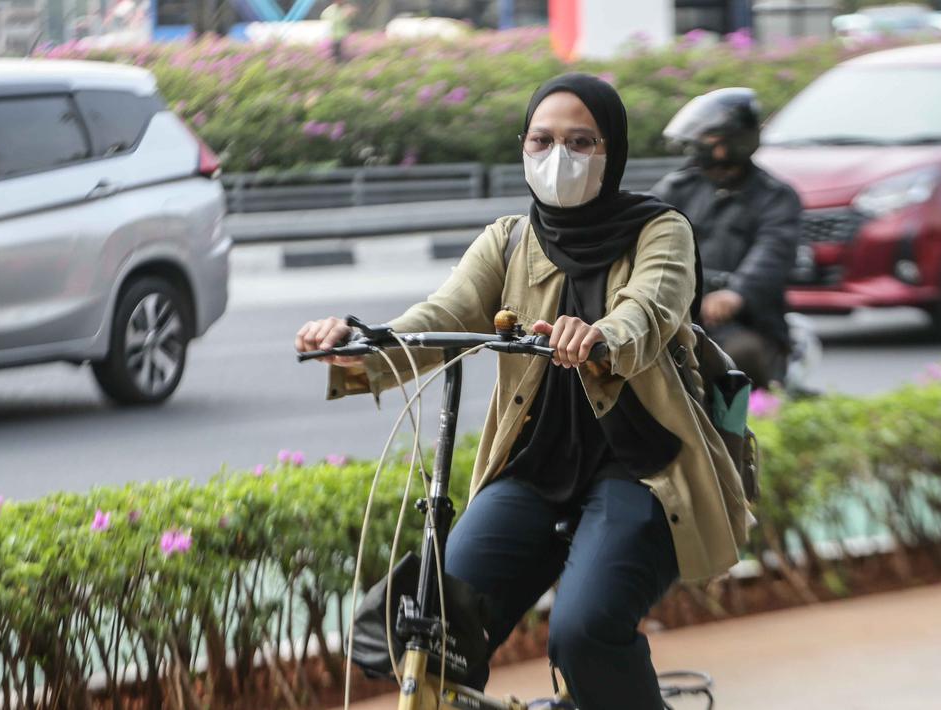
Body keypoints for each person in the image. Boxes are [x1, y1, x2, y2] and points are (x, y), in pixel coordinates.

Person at [295, 74, 749, 710]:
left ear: (611, 150)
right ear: (523, 146)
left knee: (585, 631)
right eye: (543, 140)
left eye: (580, 141)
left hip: (641, 469)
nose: (559, 156)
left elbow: (650, 308)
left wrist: (599, 336)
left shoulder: (660, 229)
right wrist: (358, 343)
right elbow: (439, 317)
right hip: (534, 468)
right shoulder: (507, 239)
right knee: (431, 626)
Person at [652, 88, 802, 389]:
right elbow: (647, 234)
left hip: (746, 321)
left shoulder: (775, 197)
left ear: (733, 140)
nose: (700, 145)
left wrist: (737, 293)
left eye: (710, 137)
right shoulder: (677, 187)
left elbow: (773, 251)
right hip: (681, 314)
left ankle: (741, 429)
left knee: (740, 356)